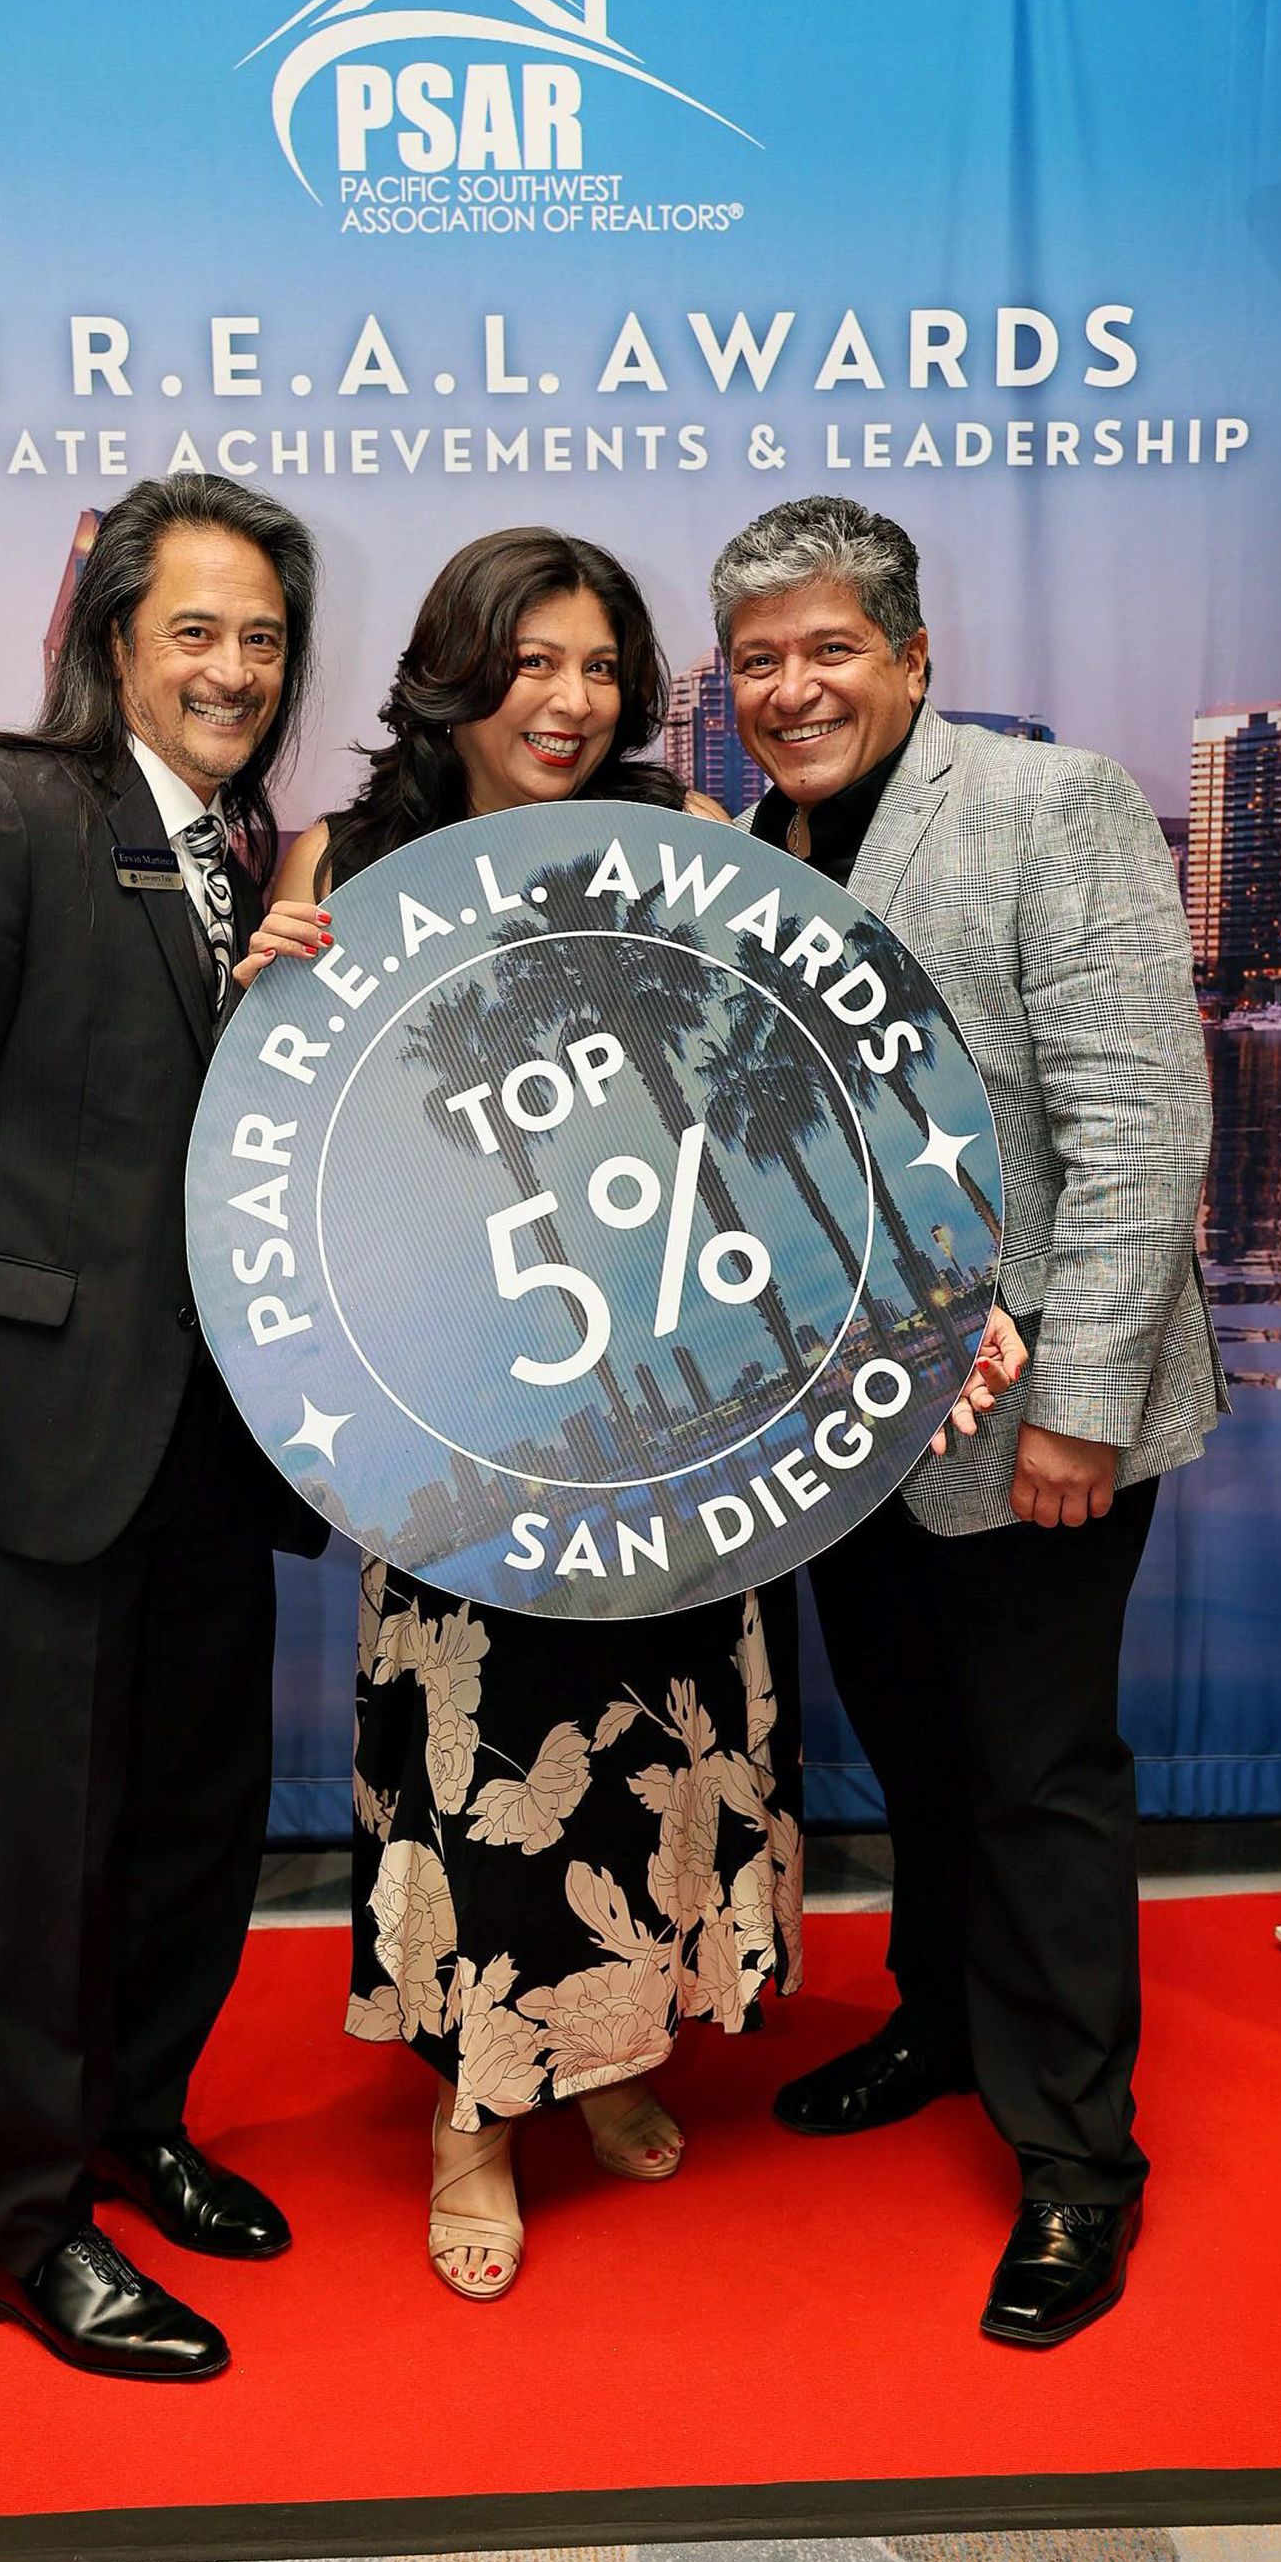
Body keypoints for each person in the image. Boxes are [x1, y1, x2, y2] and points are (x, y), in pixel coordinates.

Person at [242, 525, 1024, 2302]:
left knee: (659, 1745)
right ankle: (475, 2115)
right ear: (457, 671)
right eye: (534, 663)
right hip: (457, 1418)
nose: (573, 702)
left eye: (602, 668)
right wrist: (257, 990)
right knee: (491, 1757)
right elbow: (277, 1152)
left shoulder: (681, 845)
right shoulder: (344, 863)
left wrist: (926, 1288)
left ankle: (610, 2055)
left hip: (675, 1415)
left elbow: (783, 1094)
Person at [0, 475, 331, 2380]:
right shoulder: (1, 804)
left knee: (196, 1820)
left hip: (214, 1438)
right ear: (114, 639)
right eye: (195, 630)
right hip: (33, 1441)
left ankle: (138, 2124)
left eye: (262, 637)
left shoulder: (252, 857)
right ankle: (27, 2229)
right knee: (45, 1850)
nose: (233, 668)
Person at [710, 495, 1225, 2348]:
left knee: (1037, 1780)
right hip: (847, 1437)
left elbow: (1141, 1123)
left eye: (831, 648)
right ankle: (941, 2021)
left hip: (1033, 1431)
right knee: (922, 1759)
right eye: (757, 660)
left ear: (915, 659)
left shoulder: (1044, 804)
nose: (792, 688)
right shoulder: (746, 855)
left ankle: (1080, 2164)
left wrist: (1080, 1406)